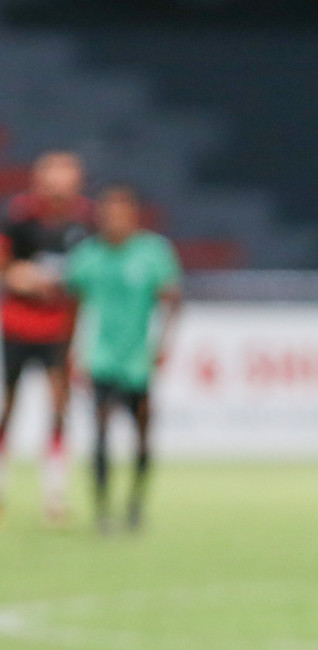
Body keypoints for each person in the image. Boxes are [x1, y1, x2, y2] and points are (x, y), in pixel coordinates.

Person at [65, 186, 183, 532]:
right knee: (100, 432)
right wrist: (72, 351)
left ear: (133, 216)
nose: (114, 220)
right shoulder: (88, 255)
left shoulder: (153, 253)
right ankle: (102, 510)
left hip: (137, 359)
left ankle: (135, 505)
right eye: (108, 213)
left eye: (121, 213)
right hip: (101, 357)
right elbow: (74, 306)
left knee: (142, 434)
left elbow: (172, 298)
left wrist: (162, 344)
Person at [0, 151, 92, 522]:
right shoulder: (19, 217)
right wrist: (17, 277)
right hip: (18, 325)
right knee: (10, 406)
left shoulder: (83, 223)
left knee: (59, 407)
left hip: (59, 328)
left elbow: (85, 276)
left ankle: (54, 494)